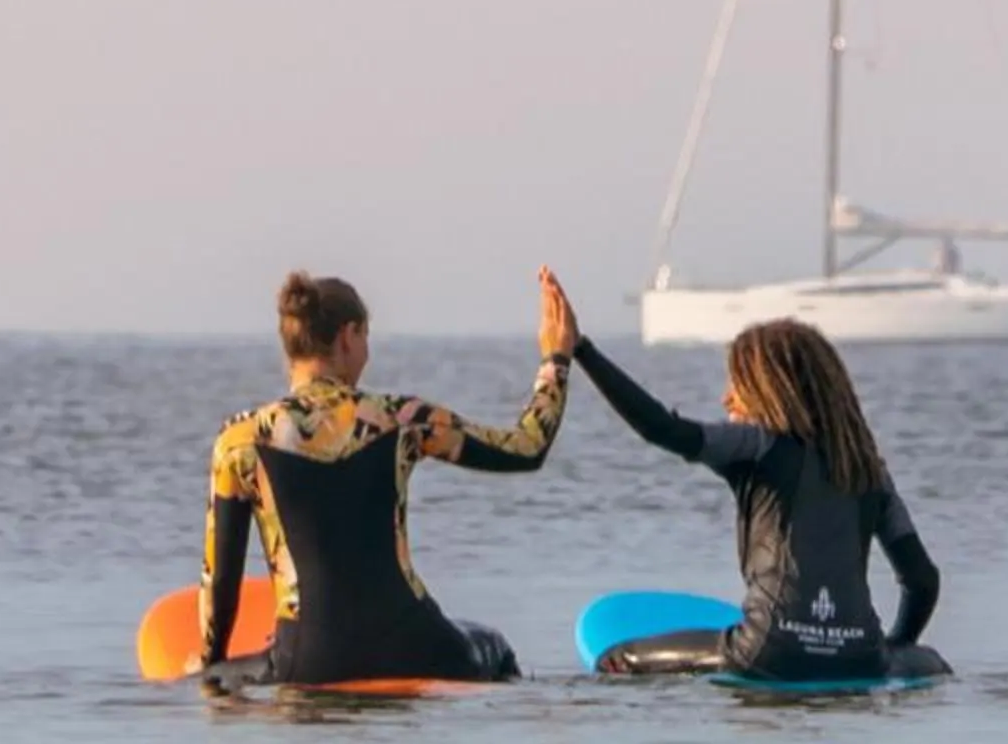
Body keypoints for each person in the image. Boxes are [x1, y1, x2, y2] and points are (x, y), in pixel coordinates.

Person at [199, 264, 578, 685]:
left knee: (220, 680)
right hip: (420, 648)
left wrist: (211, 665)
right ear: (349, 335)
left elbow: (220, 585)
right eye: (366, 338)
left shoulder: (238, 441)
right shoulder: (401, 420)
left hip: (309, 662)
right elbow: (526, 449)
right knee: (493, 645)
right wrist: (555, 359)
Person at [573, 318, 948, 681]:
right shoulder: (869, 470)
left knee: (615, 658)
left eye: (737, 385)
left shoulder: (758, 446)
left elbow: (663, 428)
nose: (726, 398)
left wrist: (581, 350)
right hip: (860, 658)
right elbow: (922, 581)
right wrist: (892, 649)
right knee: (932, 662)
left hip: (767, 653)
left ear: (770, 390)